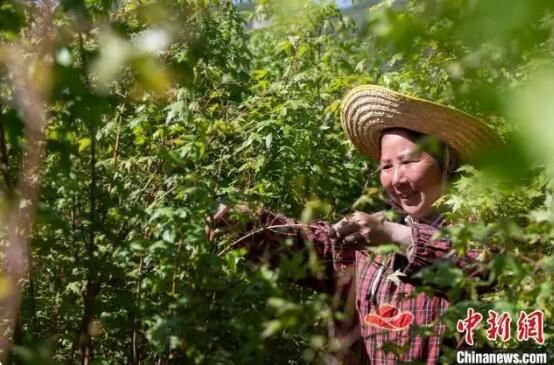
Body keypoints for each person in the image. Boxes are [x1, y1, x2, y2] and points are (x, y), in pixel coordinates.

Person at [209, 85, 500, 364]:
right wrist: (240, 221)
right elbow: (310, 247)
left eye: (409, 162)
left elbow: (482, 271)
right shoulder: (373, 241)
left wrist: (397, 235)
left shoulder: (484, 232)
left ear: (447, 163)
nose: (396, 179)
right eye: (386, 166)